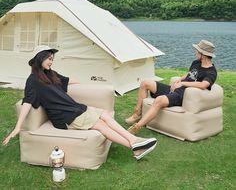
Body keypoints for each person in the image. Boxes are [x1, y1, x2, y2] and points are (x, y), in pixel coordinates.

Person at [2, 45, 157, 160]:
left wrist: (83, 84)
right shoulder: (33, 81)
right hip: (64, 117)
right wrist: (17, 127)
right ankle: (134, 143)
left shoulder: (50, 73)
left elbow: (67, 81)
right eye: (49, 59)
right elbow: (27, 102)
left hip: (74, 109)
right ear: (40, 58)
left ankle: (135, 145)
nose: (51, 62)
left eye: (52, 59)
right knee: (101, 125)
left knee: (104, 114)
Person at [125, 39, 217, 135]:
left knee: (159, 100)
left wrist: (183, 84)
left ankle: (137, 127)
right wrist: (180, 79)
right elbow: (189, 74)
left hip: (183, 96)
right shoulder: (196, 62)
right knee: (145, 83)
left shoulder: (211, 71)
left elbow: (204, 85)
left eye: (197, 51)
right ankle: (137, 113)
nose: (195, 52)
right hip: (174, 89)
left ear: (203, 54)